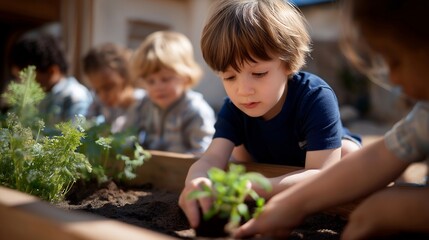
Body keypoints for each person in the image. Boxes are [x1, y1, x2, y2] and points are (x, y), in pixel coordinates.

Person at [233, 0, 429, 239]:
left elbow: (323, 167)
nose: (392, 77)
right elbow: (380, 157)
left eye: (395, 60)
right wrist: (293, 204)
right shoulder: (424, 116)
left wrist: (385, 208)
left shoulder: (314, 95)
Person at [178, 0, 362, 230]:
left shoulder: (314, 97)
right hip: (271, 164)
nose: (243, 90)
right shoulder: (233, 108)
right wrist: (196, 181)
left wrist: (250, 188)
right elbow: (211, 159)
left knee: (349, 156)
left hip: (319, 162)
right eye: (229, 77)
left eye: (259, 73)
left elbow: (321, 174)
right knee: (238, 154)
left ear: (288, 64)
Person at [130, 30, 216, 155]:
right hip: (150, 169)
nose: (157, 87)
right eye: (150, 81)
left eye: (165, 79)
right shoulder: (144, 105)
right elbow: (130, 135)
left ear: (185, 76)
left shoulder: (195, 110)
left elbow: (203, 152)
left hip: (184, 172)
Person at [9, 32, 93, 124]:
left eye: (27, 78)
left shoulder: (75, 96)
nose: (22, 84)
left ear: (52, 71)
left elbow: (79, 133)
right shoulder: (33, 99)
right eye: (19, 78)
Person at [83, 42, 144, 133]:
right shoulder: (99, 103)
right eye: (97, 90)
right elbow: (85, 126)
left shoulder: (142, 103)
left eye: (108, 87)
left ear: (124, 76)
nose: (102, 96)